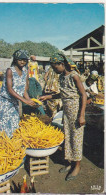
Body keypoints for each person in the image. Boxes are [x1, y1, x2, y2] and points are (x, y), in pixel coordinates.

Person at [39, 52, 87, 181]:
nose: (54, 70)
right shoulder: (61, 77)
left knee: (76, 138)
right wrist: (48, 96)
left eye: (55, 67)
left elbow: (84, 95)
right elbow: (63, 94)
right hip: (66, 111)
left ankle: (77, 166)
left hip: (76, 111)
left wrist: (81, 115)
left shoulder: (74, 76)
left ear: (62, 64)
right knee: (67, 136)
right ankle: (69, 162)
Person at [0, 49, 36, 138]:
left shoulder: (25, 71)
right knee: (4, 123)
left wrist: (29, 100)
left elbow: (24, 89)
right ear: (15, 60)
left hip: (15, 101)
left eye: (24, 60)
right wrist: (24, 101)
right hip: (6, 101)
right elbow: (10, 89)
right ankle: (4, 143)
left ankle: (13, 144)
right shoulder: (10, 70)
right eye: (20, 60)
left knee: (14, 123)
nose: (22, 62)